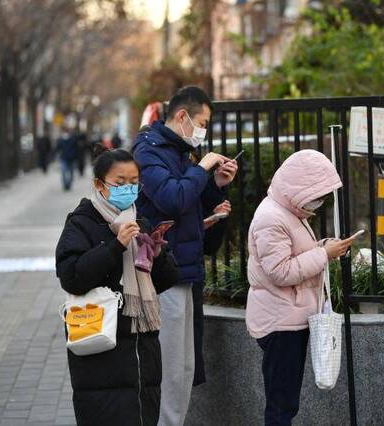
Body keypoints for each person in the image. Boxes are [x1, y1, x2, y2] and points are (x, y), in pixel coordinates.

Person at [132, 85, 237, 426]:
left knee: (186, 366)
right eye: (202, 122)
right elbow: (174, 197)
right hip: (165, 273)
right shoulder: (148, 151)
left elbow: (191, 199)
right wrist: (203, 166)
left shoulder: (180, 152)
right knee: (171, 366)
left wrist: (217, 184)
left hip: (187, 271)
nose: (203, 131)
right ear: (182, 116)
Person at [55, 146, 180, 425]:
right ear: (99, 184)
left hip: (142, 351)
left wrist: (157, 255)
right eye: (120, 183)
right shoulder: (81, 223)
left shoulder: (140, 222)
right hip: (102, 349)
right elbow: (72, 276)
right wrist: (116, 246)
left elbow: (166, 280)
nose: (128, 189)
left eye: (134, 183)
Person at [246, 149, 355, 425]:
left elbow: (293, 256)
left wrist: (323, 248)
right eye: (316, 194)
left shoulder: (289, 212)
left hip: (289, 316)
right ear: (299, 188)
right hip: (280, 321)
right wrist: (324, 254)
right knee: (281, 404)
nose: (318, 201)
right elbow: (281, 271)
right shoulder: (272, 217)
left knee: (285, 401)